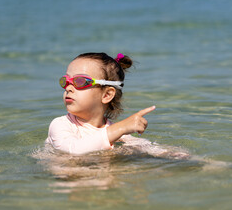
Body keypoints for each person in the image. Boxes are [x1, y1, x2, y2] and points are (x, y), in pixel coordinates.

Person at [45, 52, 188, 158]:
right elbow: (72, 150)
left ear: (107, 95)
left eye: (80, 81)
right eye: (66, 81)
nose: (68, 88)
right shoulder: (60, 125)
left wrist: (185, 158)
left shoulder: (115, 132)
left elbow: (151, 148)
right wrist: (122, 127)